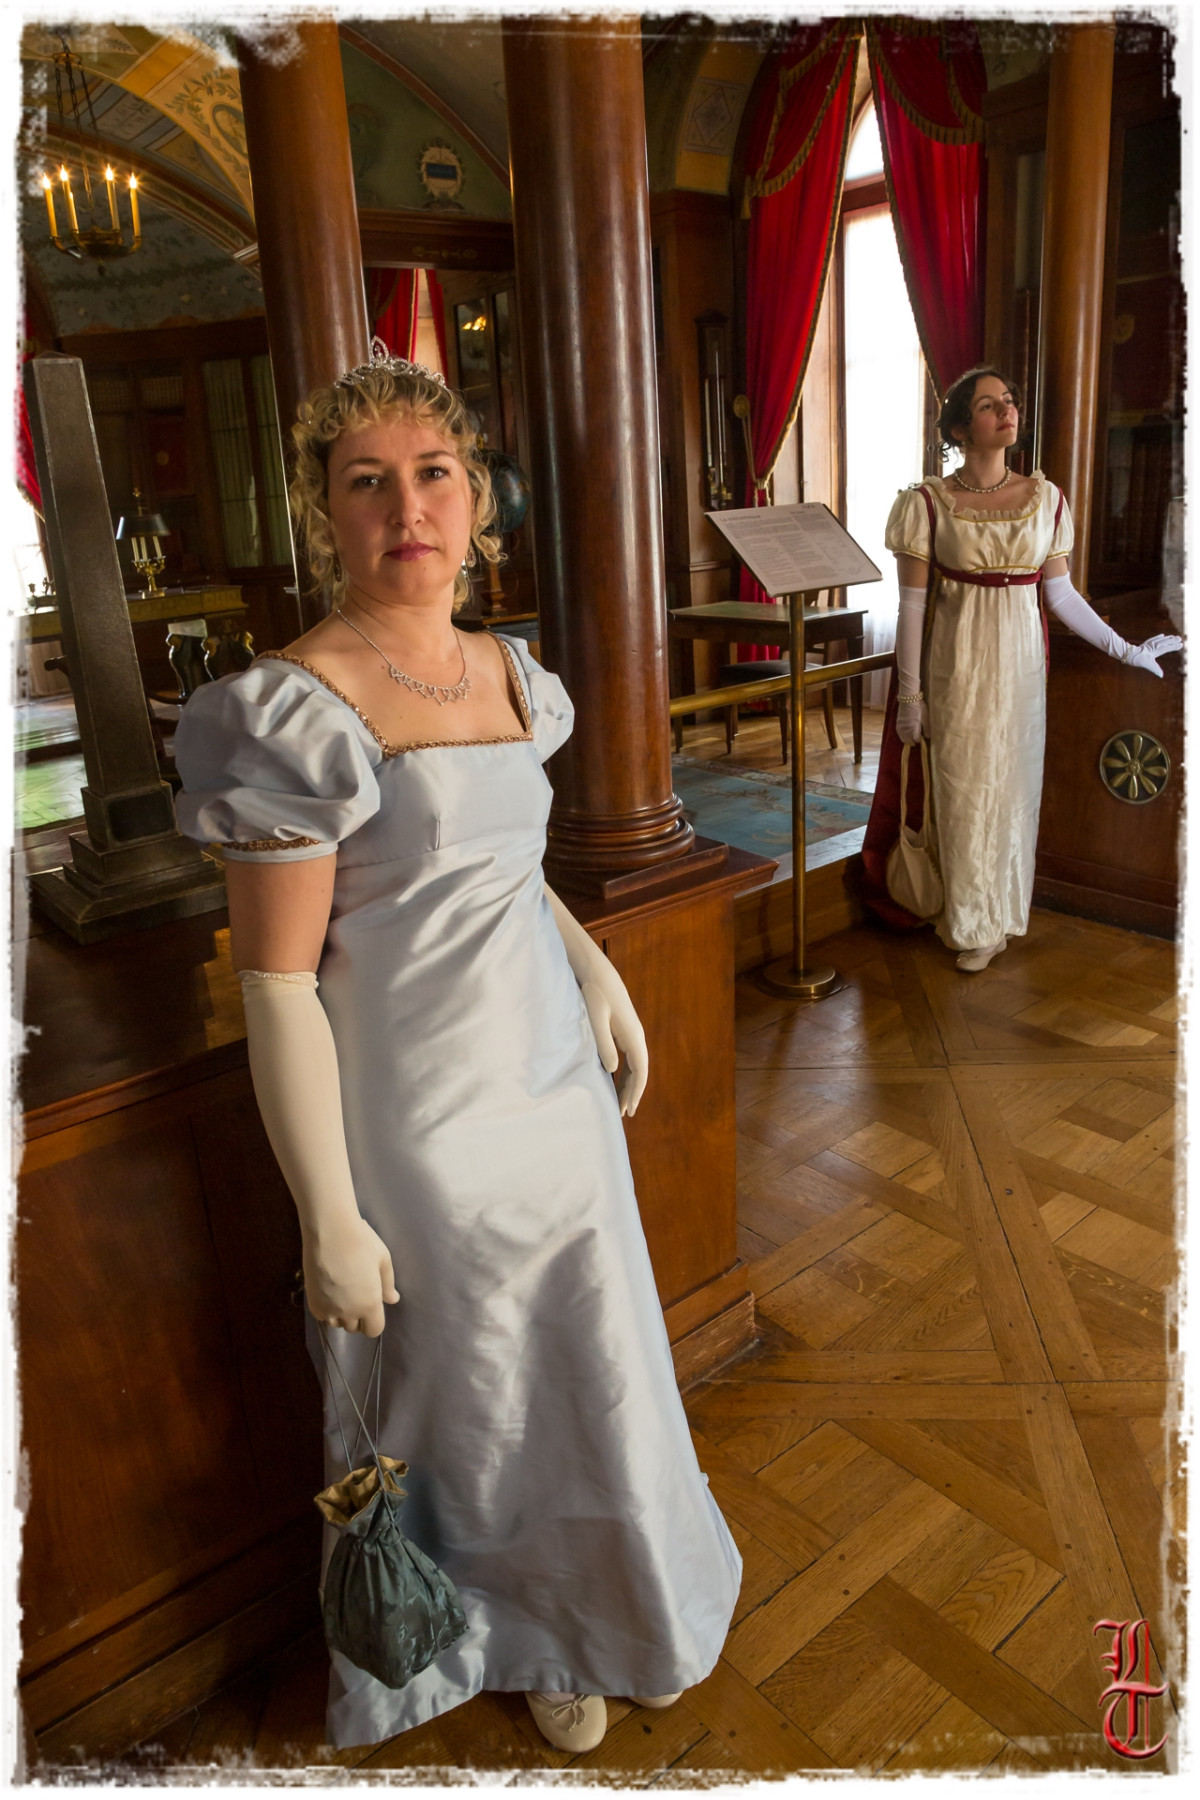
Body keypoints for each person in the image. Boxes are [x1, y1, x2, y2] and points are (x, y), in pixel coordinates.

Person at [172, 340, 741, 1755]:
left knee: (591, 1363)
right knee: (472, 1394)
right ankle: (504, 1633)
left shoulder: (511, 674)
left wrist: (595, 968)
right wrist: (327, 1214)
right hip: (420, 1120)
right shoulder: (294, 708)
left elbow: (506, 871)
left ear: (477, 498)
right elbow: (278, 987)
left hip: (555, 1085)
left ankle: (617, 1608)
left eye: (432, 471)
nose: (405, 503)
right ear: (327, 515)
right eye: (365, 481)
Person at [871, 366, 1181, 972]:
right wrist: (909, 696)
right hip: (955, 669)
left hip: (1020, 673)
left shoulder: (1047, 500)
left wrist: (1126, 649)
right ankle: (969, 922)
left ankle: (1003, 914)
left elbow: (1061, 596)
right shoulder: (926, 504)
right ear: (960, 428)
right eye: (989, 405)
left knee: (1012, 795)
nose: (1007, 411)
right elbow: (911, 608)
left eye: (1009, 401)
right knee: (963, 794)